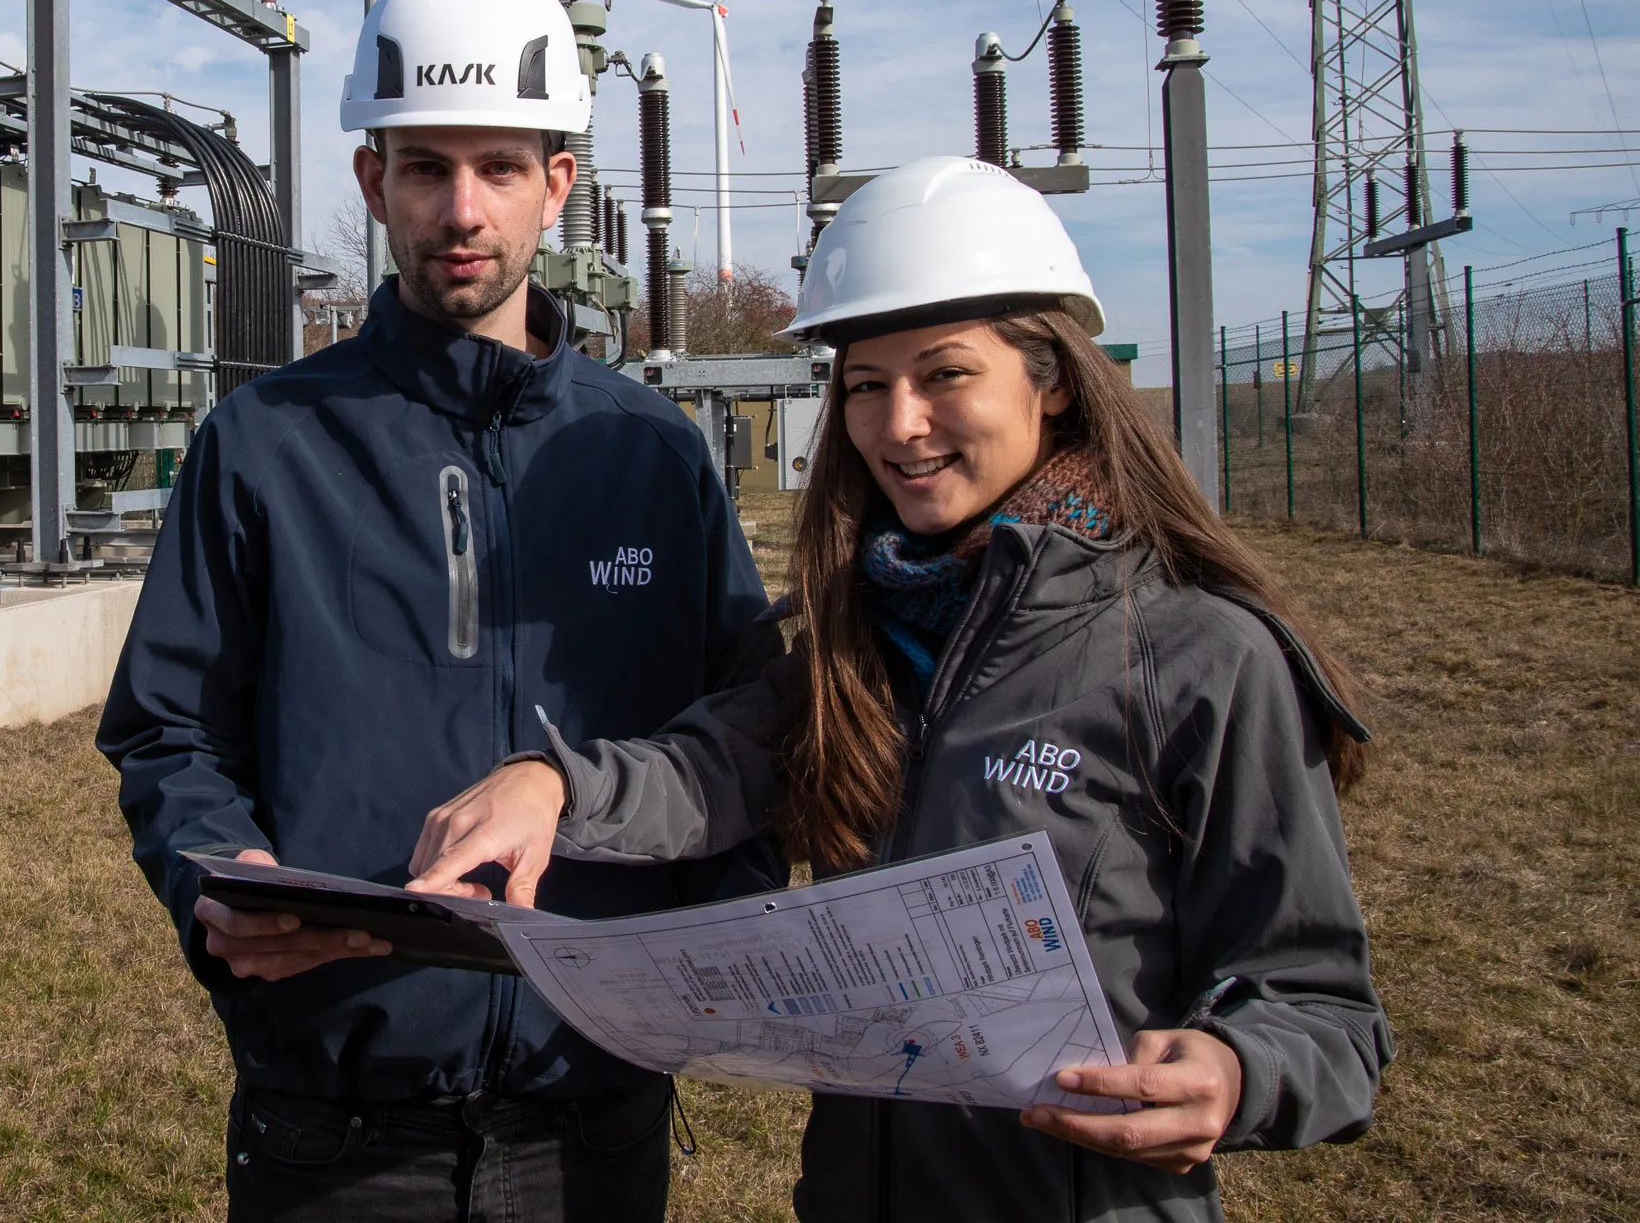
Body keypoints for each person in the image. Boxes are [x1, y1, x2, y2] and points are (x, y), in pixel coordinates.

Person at [407, 155, 1391, 1221]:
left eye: (944, 374)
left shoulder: (1197, 656)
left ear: (1051, 378)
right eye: (867, 385)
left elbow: (1325, 1014)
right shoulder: (862, 628)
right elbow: (718, 763)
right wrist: (552, 783)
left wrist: (1237, 1071)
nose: (900, 424)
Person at [97, 0, 772, 1222]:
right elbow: (166, 727)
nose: (462, 209)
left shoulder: (651, 452)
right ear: (374, 181)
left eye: (501, 167)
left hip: (594, 1116)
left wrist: (708, 944)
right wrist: (217, 874)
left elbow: (745, 721)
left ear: (556, 183)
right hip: (335, 1125)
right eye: (425, 167)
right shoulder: (264, 442)